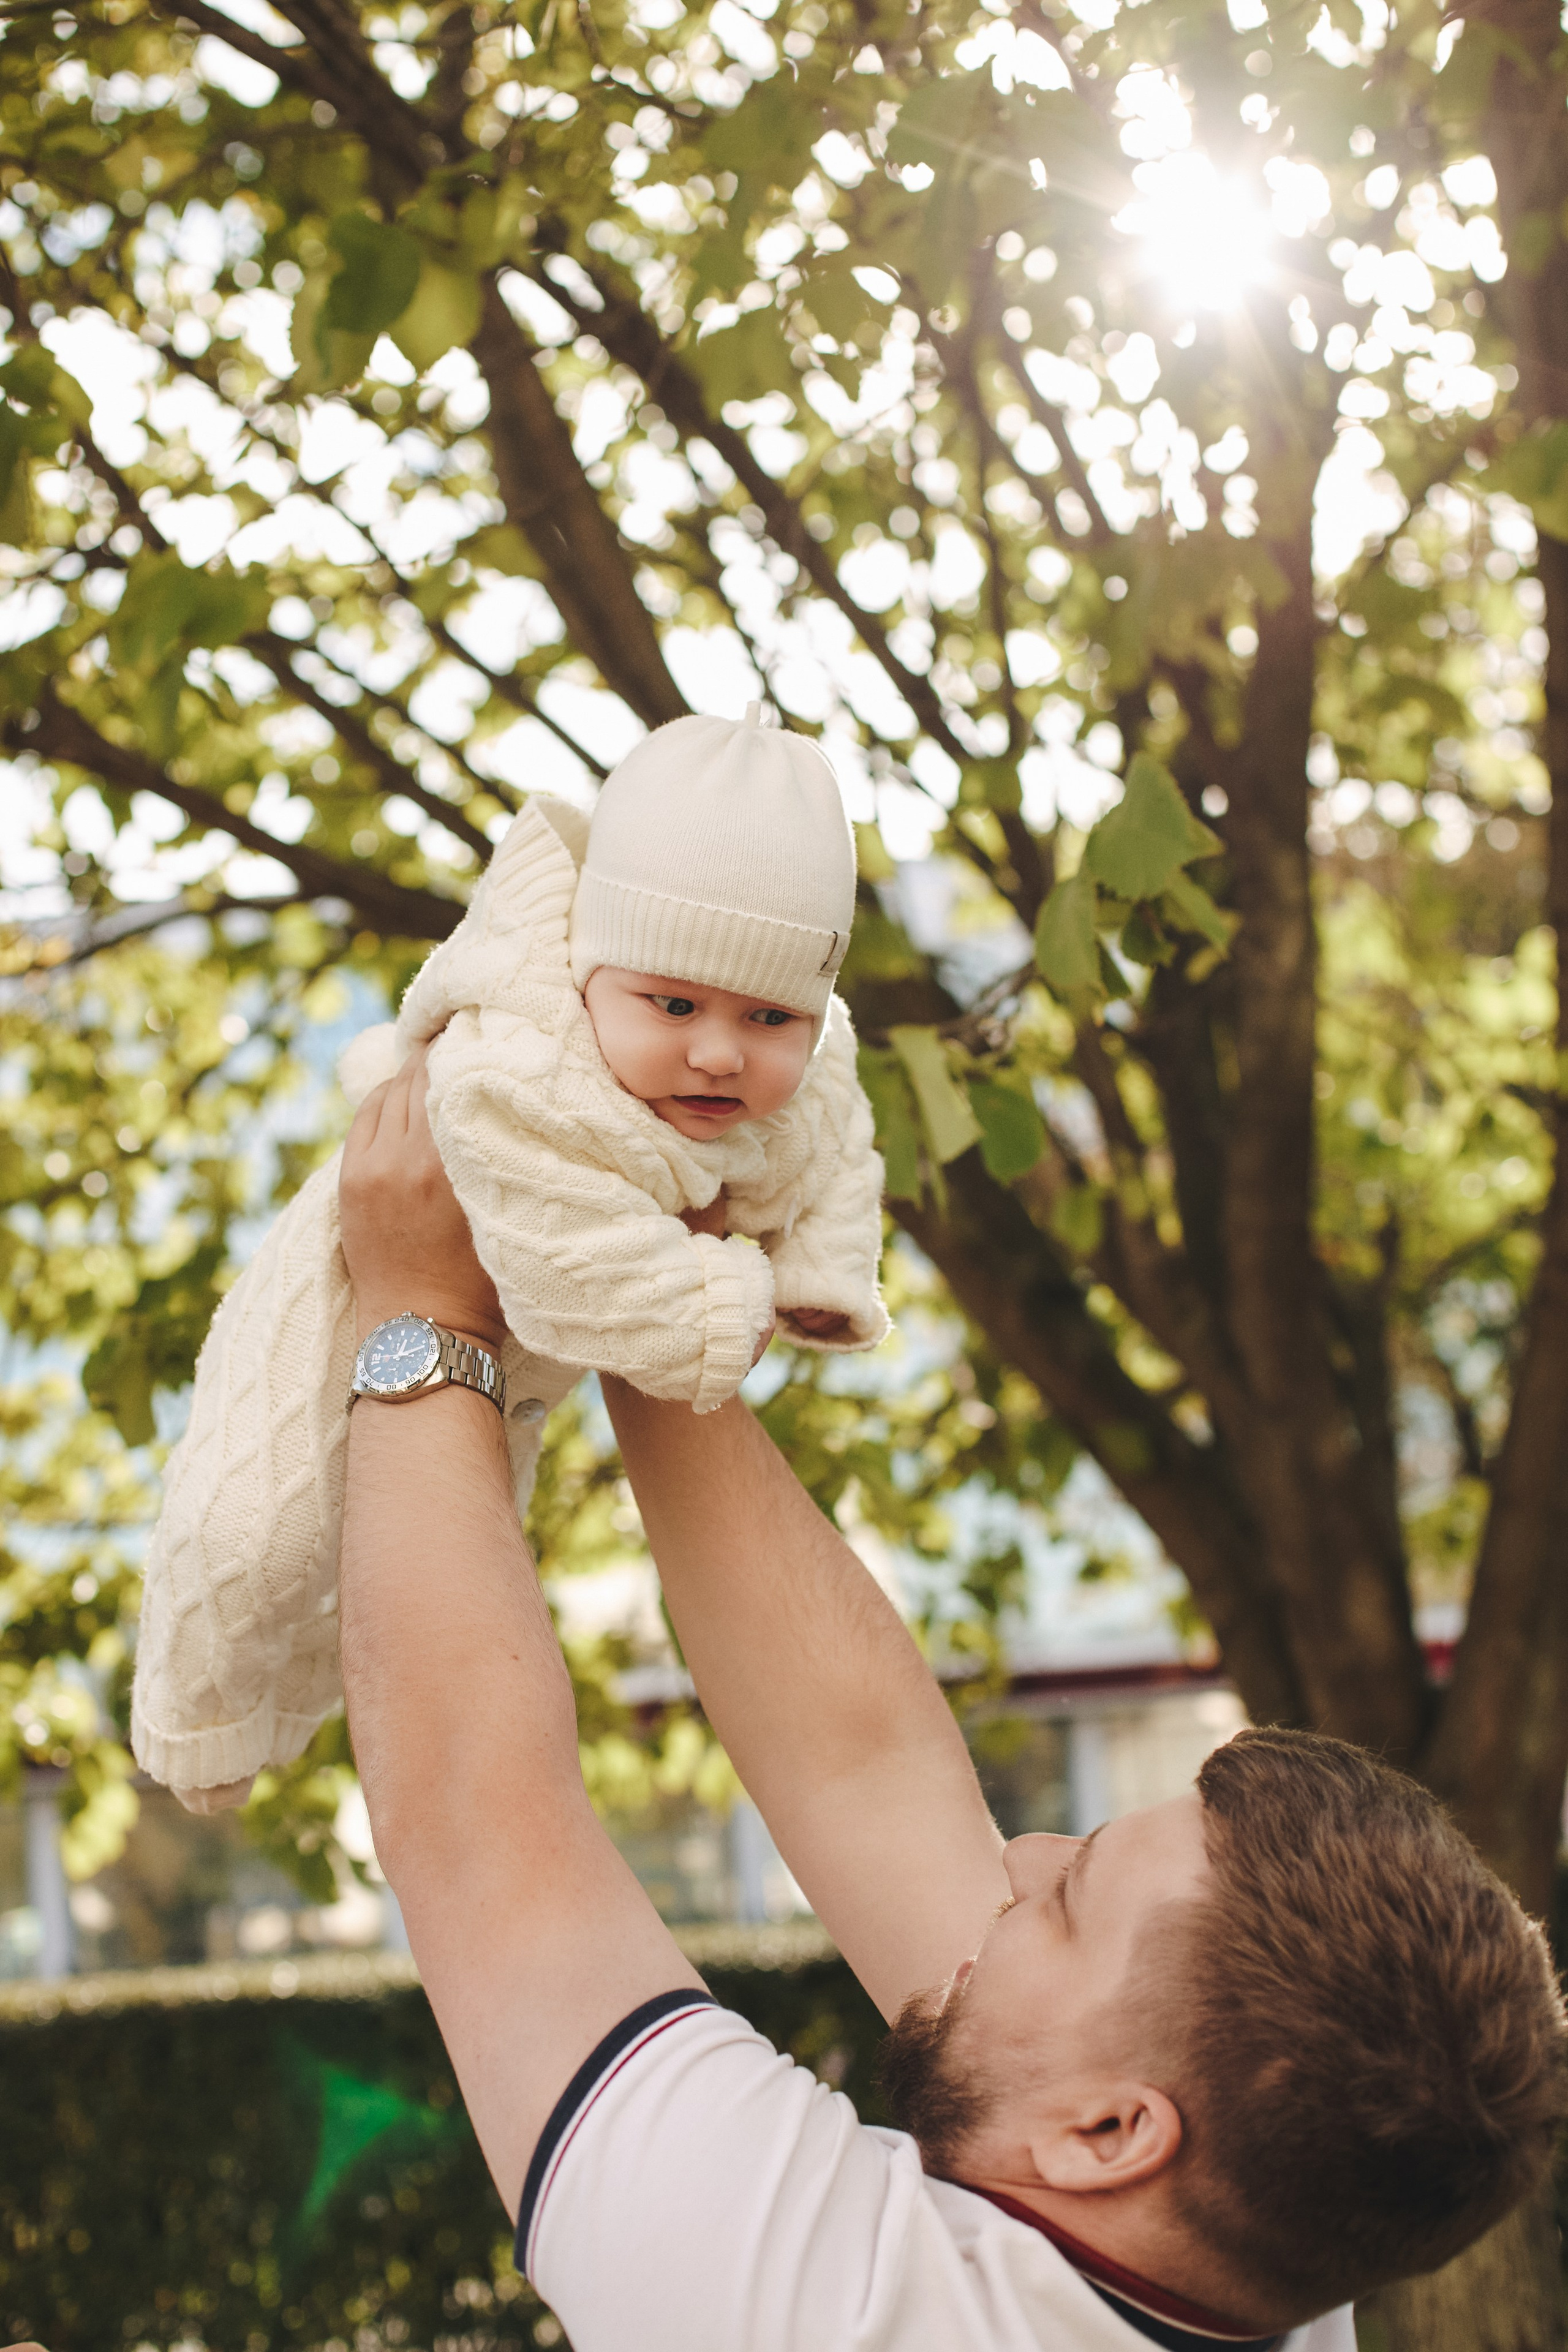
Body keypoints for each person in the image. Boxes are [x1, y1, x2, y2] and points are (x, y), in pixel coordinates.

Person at [333, 1048, 1567, 2352]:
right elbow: (861, 1767)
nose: (1021, 1860)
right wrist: (652, 1306)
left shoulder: (820, 2315)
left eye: (1071, 1897)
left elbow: (478, 1825)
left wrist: (421, 1309)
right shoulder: (1254, 2238)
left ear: (1108, 2134)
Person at [131, 707, 888, 1815]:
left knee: (452, 1579)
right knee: (255, 1532)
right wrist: (727, 1302)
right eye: (672, 1004)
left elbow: (839, 1140)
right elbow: (562, 1265)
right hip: (342, 1314)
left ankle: (296, 1725)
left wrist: (824, 1272)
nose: (720, 1050)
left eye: (772, 1016)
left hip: (502, 1375)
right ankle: (197, 1731)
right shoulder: (519, 1070)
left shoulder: (806, 1063)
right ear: (590, 968)